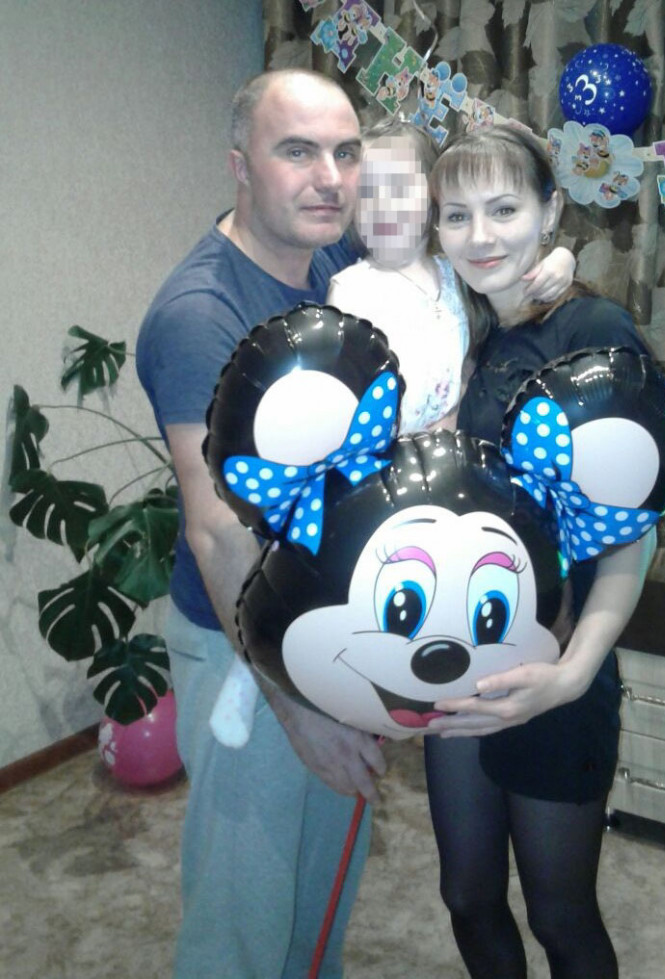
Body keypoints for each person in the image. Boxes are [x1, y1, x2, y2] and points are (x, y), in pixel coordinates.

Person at [135, 68, 387, 979]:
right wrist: (293, 704)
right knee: (242, 922)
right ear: (240, 165)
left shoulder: (327, 263)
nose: (331, 178)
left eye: (346, 153)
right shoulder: (201, 317)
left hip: (330, 625)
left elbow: (458, 228)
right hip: (245, 650)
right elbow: (216, 531)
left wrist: (543, 270)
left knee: (317, 907)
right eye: (298, 152)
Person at [422, 126, 657, 979]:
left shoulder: (593, 330)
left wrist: (571, 674)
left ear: (550, 210)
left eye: (504, 209)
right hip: (463, 663)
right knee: (467, 894)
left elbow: (632, 533)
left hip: (560, 676)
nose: (480, 235)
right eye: (456, 215)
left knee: (560, 914)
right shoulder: (471, 338)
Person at [327, 117, 576, 435]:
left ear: (436, 201)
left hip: (465, 443)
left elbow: (514, 294)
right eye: (366, 191)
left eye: (399, 187)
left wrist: (562, 259)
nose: (382, 204)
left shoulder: (458, 269)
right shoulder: (351, 290)